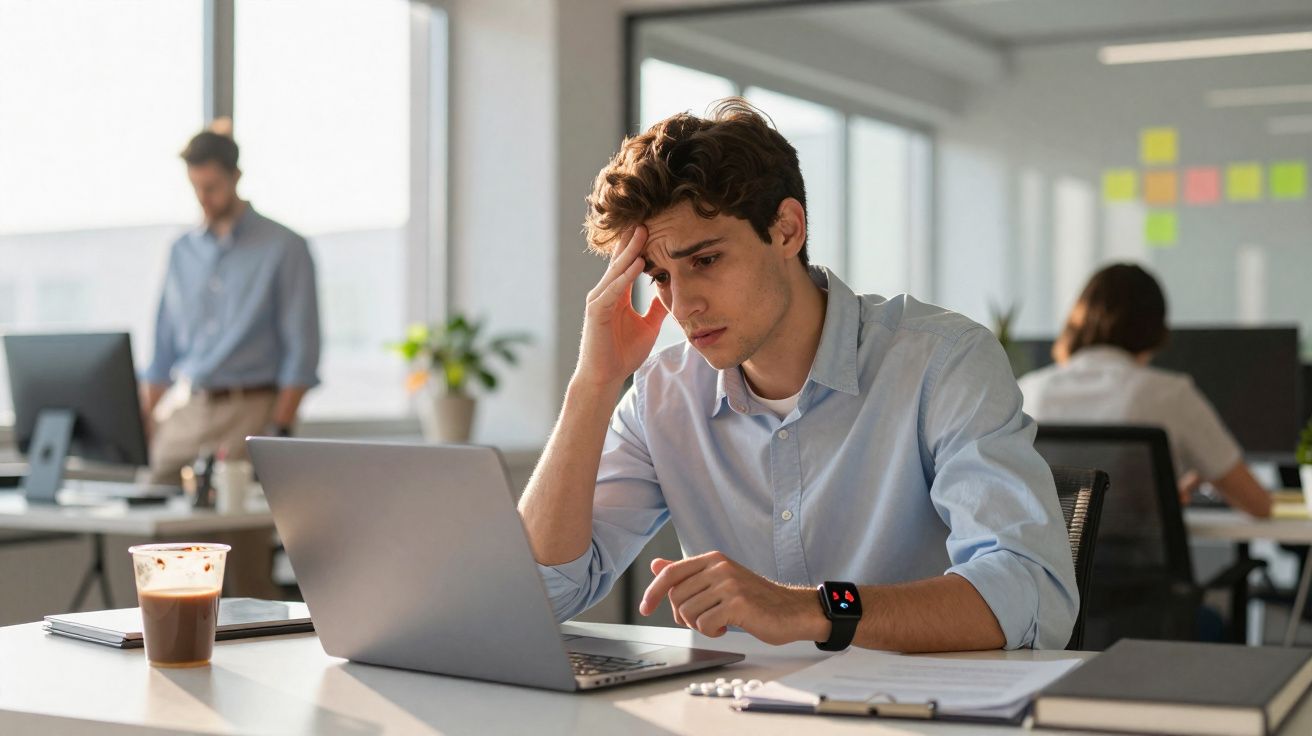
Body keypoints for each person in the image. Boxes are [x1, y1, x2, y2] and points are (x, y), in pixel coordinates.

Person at [517, 99, 1078, 653]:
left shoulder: (943, 361)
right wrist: (593, 384)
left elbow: (1030, 592)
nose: (682, 305)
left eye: (705, 261)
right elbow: (540, 593)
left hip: (918, 701)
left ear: (787, 229)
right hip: (739, 701)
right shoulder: (661, 396)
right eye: (660, 276)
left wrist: (814, 610)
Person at [141, 122, 321, 485]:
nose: (203, 198)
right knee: (151, 493)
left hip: (250, 412)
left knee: (233, 515)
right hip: (189, 409)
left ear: (235, 177)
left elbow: (301, 351)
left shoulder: (284, 247)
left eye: (212, 187)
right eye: (195, 188)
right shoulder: (181, 252)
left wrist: (279, 429)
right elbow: (162, 350)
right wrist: (146, 424)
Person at [1018, 263, 1271, 518]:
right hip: (1139, 545)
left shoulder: (1027, 392)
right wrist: (1197, 478)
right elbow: (1258, 504)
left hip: (1052, 546)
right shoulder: (1170, 394)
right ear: (1155, 329)